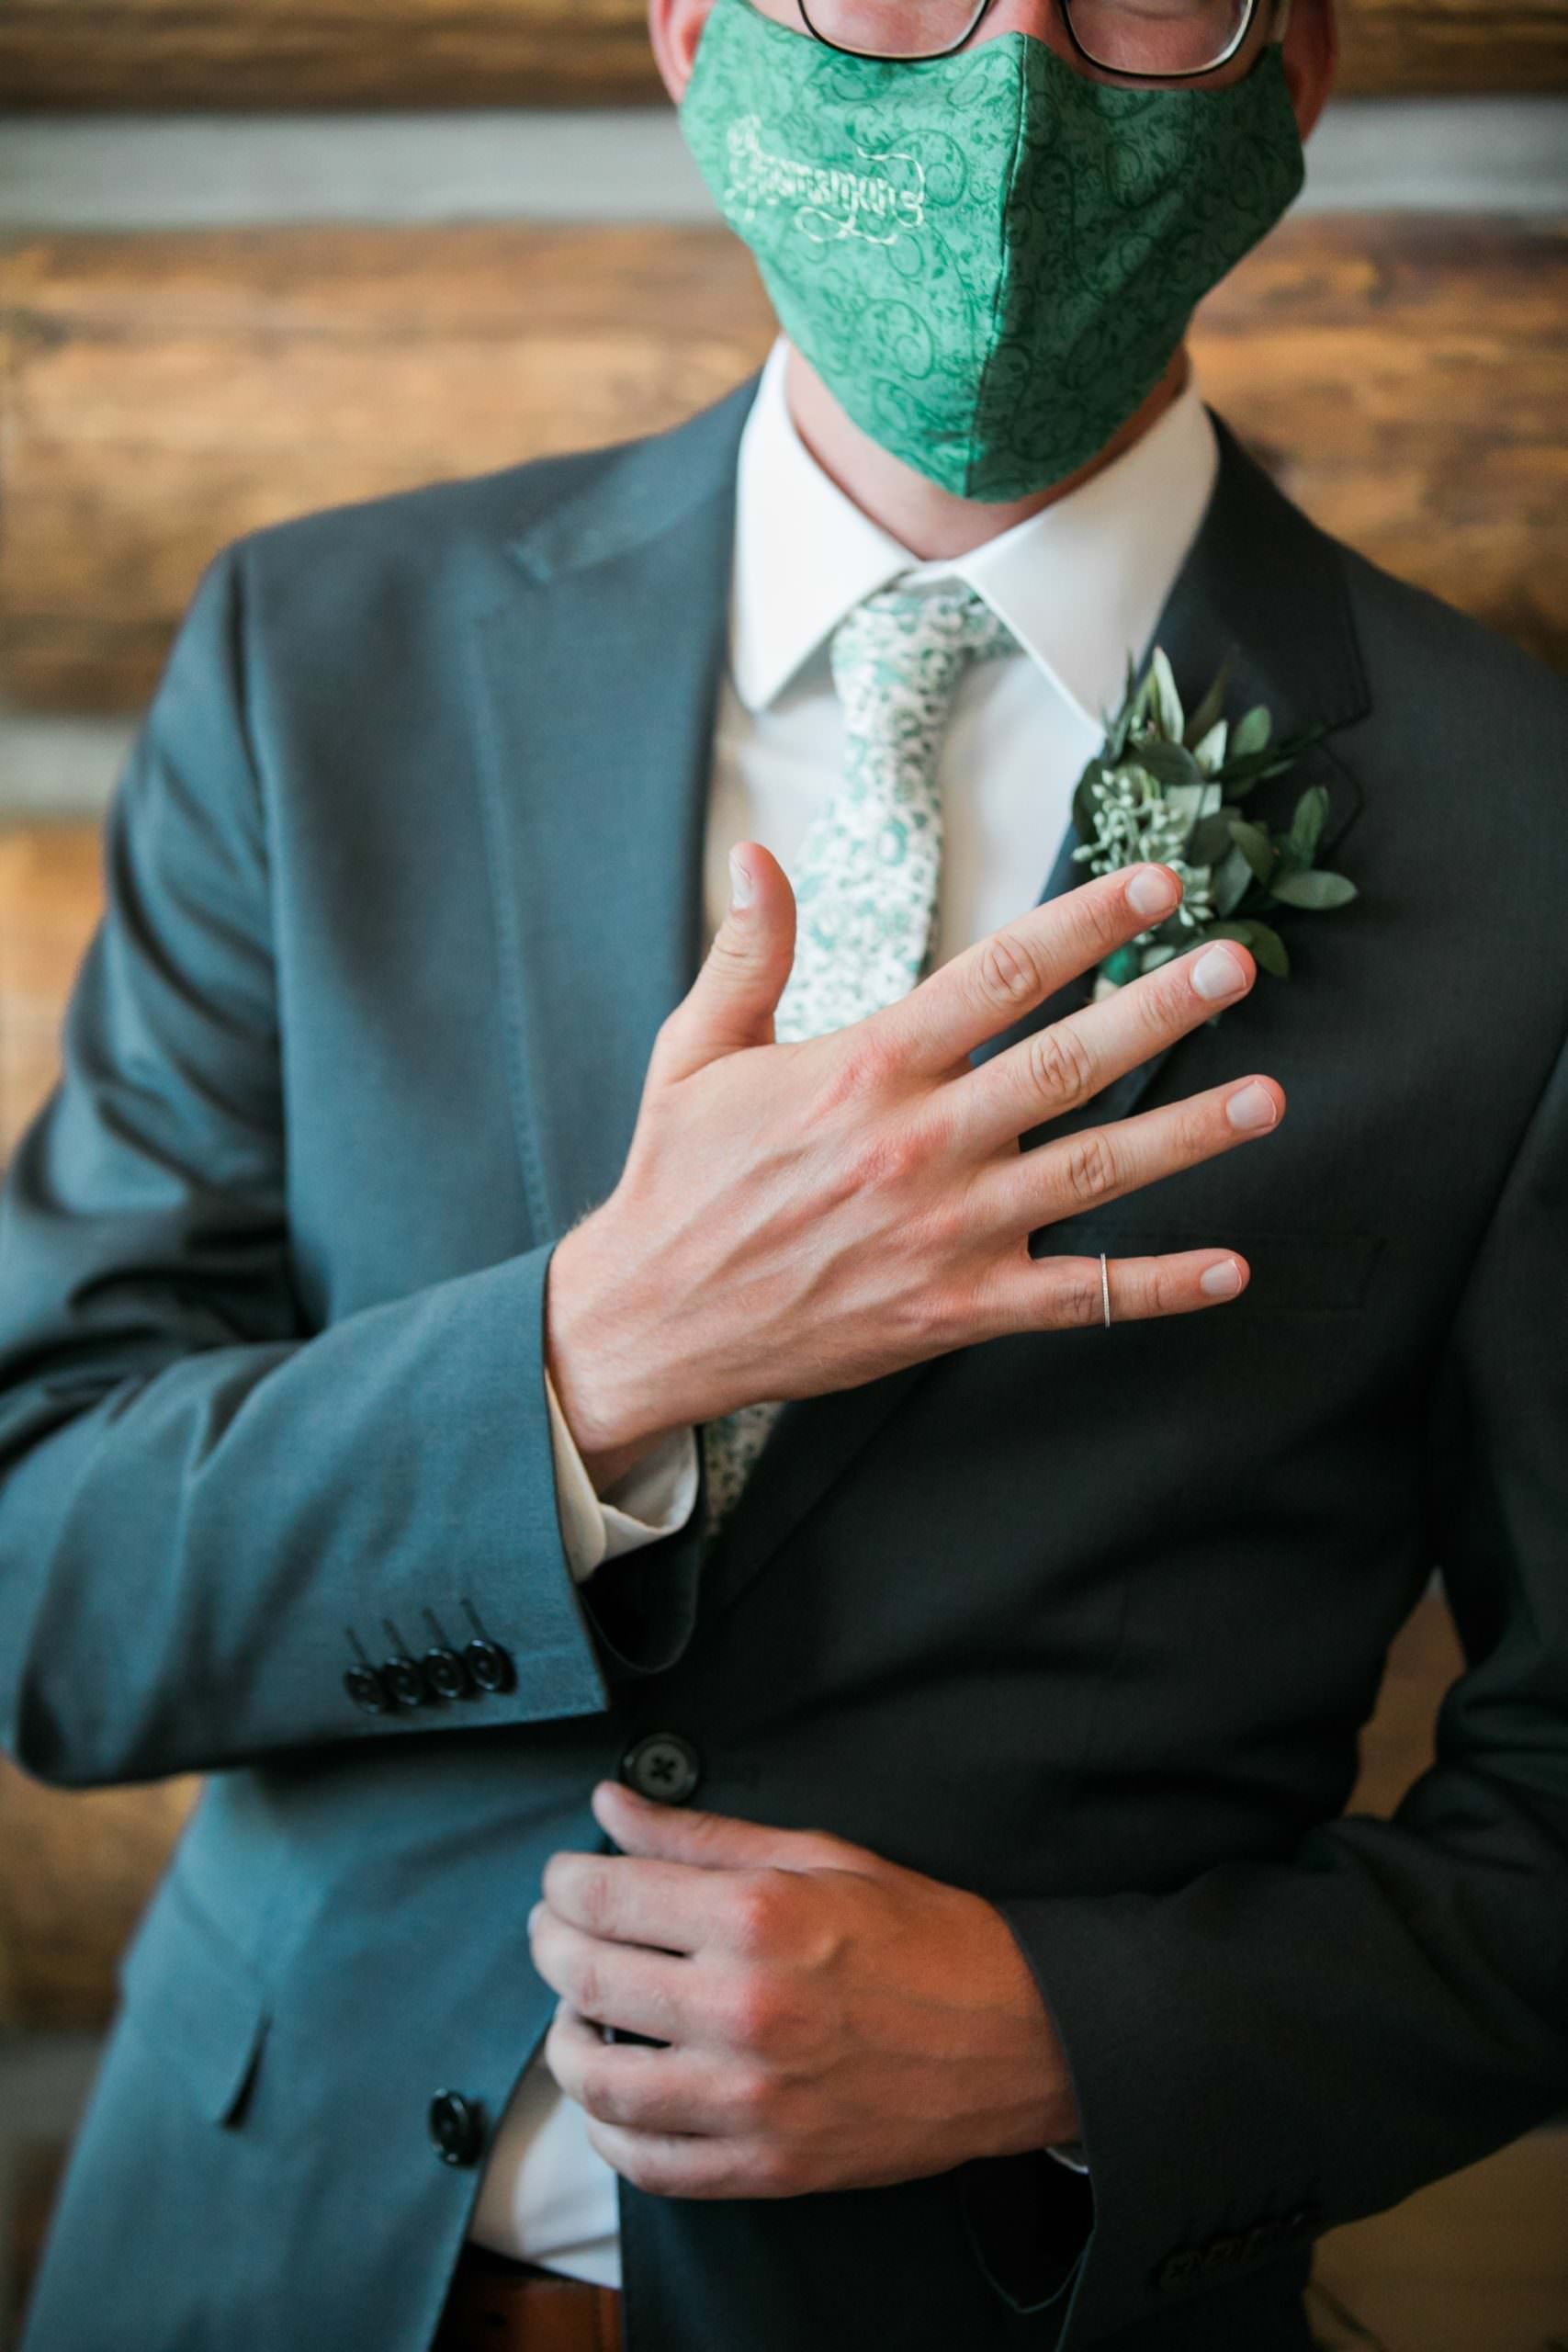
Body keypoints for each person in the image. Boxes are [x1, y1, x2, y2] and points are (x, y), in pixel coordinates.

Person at [2, 0, 1565, 2345]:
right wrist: (595, 1354)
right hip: (248, 2263)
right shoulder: (319, 657)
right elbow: (38, 1563)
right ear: (688, 30)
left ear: (1296, 67)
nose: (1008, 77)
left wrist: (1070, 2031)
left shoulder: (1523, 825)